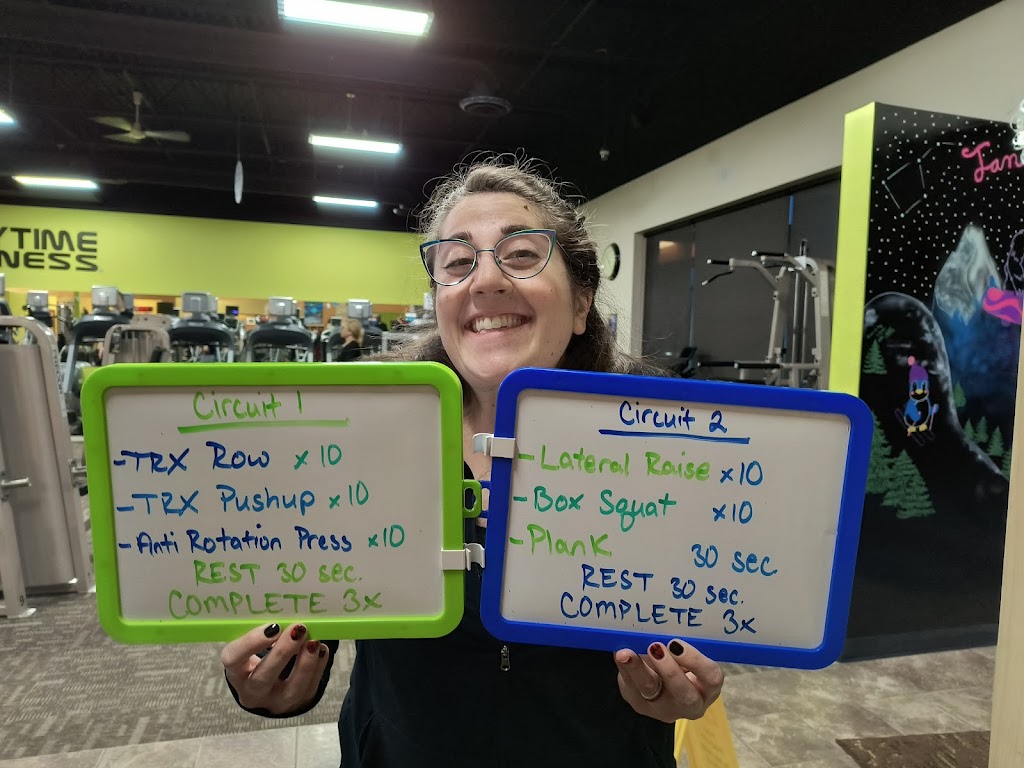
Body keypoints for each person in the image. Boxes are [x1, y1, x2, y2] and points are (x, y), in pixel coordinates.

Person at [219, 155, 725, 768]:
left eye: (521, 254)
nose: (485, 280)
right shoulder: (362, 434)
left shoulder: (661, 447)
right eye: (457, 262)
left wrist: (675, 687)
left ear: (582, 302)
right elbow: (315, 601)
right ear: (440, 301)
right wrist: (281, 677)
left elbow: (690, 619)